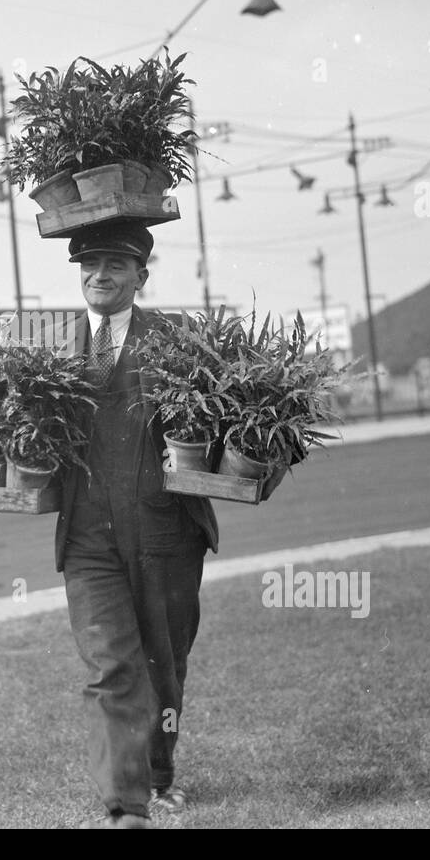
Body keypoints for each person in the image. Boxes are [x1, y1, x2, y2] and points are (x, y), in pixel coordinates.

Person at [54, 221, 284, 829]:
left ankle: (159, 776)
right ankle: (124, 806)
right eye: (90, 265)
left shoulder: (180, 340)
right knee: (110, 665)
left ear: (141, 277)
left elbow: (256, 408)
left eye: (115, 265)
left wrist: (268, 453)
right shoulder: (53, 347)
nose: (100, 275)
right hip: (87, 536)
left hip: (165, 532)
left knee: (163, 662)